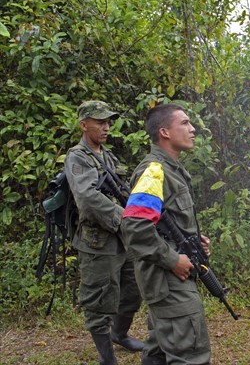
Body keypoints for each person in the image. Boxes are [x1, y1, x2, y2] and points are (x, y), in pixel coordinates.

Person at [120, 103, 212, 365]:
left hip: (168, 278)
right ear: (164, 132)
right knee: (190, 356)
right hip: (167, 277)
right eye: (184, 123)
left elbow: (165, 222)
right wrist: (173, 259)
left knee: (159, 352)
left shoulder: (172, 170)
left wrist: (195, 241)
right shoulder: (154, 171)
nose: (192, 129)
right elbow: (135, 228)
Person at [64, 100, 144, 365]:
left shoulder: (107, 156)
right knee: (99, 300)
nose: (106, 127)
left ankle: (119, 334)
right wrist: (127, 219)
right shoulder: (77, 156)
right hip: (99, 243)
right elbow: (87, 198)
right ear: (84, 124)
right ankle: (106, 358)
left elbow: (122, 190)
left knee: (132, 291)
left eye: (108, 122)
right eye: (100, 122)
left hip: (123, 239)